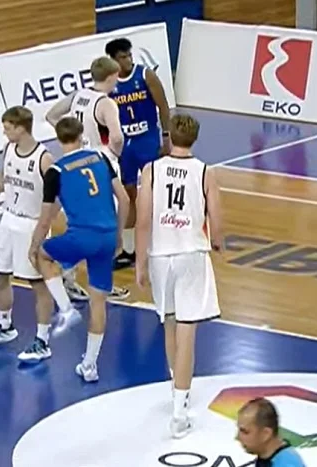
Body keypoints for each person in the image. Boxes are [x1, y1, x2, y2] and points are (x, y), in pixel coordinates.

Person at [134, 113, 223, 438]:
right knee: (187, 331)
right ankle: (179, 412)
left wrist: (140, 262)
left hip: (161, 256)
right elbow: (216, 217)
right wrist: (218, 242)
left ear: (169, 136)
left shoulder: (151, 170)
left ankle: (177, 388)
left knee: (170, 323)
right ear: (195, 139)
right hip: (190, 254)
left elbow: (143, 221)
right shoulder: (205, 171)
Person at [31, 117, 129, 383]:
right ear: (81, 134)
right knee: (99, 302)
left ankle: (66, 309)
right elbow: (124, 199)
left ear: (58, 138)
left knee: (43, 256)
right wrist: (119, 236)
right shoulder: (101, 158)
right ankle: (90, 365)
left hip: (81, 236)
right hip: (107, 236)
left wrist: (34, 245)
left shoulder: (56, 171)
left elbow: (46, 219)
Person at [0, 106, 60, 363]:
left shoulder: (44, 158)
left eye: (8, 128)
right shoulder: (8, 149)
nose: (5, 132)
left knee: (38, 283)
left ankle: (42, 340)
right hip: (8, 220)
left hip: (32, 224)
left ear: (22, 128)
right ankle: (5, 326)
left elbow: (57, 197)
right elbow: (3, 176)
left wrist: (44, 226)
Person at [45, 56, 130, 302]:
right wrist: (113, 153)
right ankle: (100, 283)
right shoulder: (106, 103)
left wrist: (69, 137)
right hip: (100, 163)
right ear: (111, 77)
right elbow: (117, 137)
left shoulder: (79, 95)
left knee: (80, 221)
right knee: (105, 223)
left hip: (77, 162)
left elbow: (52, 116)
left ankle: (70, 279)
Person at [106, 37, 171, 270]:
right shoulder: (110, 84)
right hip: (125, 146)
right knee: (128, 194)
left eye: (129, 56)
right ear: (113, 60)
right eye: (122, 57)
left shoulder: (145, 75)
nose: (128, 60)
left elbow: (163, 106)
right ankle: (130, 250)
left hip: (147, 141)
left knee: (156, 192)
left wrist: (166, 137)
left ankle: (161, 242)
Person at [235, 398, 307, 466]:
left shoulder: (287, 463)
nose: (237, 437)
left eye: (245, 432)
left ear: (266, 434)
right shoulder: (268, 458)